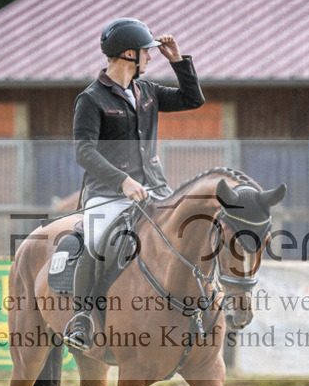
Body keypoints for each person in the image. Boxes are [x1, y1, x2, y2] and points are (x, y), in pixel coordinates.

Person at [63, 17, 205, 352]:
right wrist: (122, 180)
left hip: (155, 189)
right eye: (146, 52)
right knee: (96, 241)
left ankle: (193, 314)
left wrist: (178, 60)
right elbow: (84, 150)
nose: (150, 57)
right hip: (108, 193)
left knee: (187, 236)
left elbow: (192, 99)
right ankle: (82, 317)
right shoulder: (91, 99)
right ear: (129, 54)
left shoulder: (149, 92)